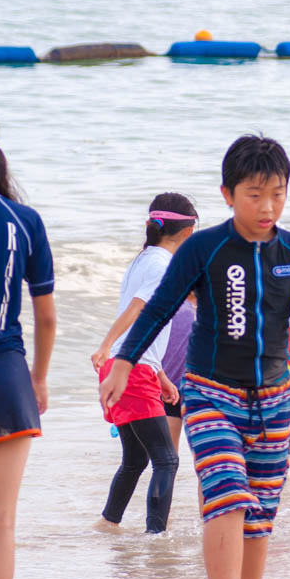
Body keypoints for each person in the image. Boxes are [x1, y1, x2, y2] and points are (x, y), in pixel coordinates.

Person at [99, 134, 290, 579]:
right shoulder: (203, 249)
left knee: (260, 517)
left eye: (278, 193)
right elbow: (156, 309)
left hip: (274, 400)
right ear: (228, 195)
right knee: (227, 497)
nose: (268, 206)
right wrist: (123, 363)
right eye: (255, 195)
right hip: (211, 394)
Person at [91, 193, 197, 533]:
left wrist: (161, 374)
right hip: (131, 369)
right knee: (166, 459)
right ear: (188, 233)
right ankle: (156, 537)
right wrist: (106, 346)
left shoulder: (142, 260)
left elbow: (145, 324)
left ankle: (108, 524)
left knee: (136, 459)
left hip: (135, 367)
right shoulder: (161, 265)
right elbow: (136, 310)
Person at [0, 142, 56, 579]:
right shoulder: (25, 221)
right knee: (2, 520)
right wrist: (38, 378)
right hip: (7, 376)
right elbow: (47, 317)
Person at [160, 293, 196, 449]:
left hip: (176, 388)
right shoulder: (176, 308)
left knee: (167, 460)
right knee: (168, 460)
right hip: (170, 389)